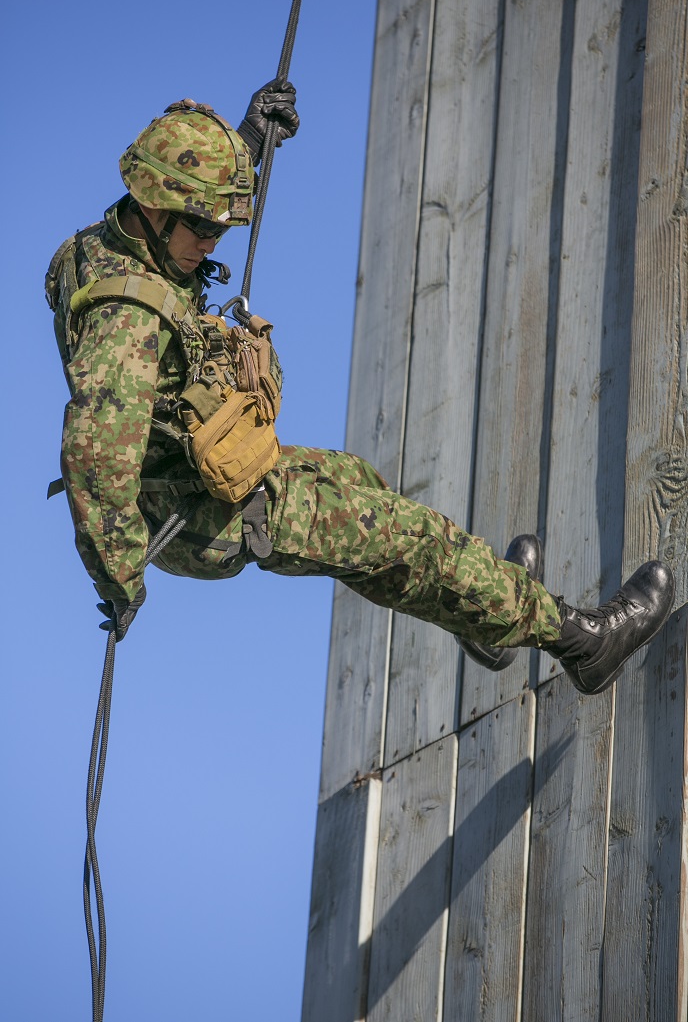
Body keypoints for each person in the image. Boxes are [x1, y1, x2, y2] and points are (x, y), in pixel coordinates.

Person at [46, 87, 675, 697]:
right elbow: (96, 460)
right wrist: (121, 578)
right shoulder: (127, 318)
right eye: (201, 229)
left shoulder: (98, 246)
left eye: (219, 225)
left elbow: (175, 224)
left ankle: (487, 618)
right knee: (412, 540)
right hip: (211, 512)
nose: (212, 244)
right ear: (156, 209)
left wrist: (245, 146)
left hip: (202, 482)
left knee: (360, 483)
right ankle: (585, 644)